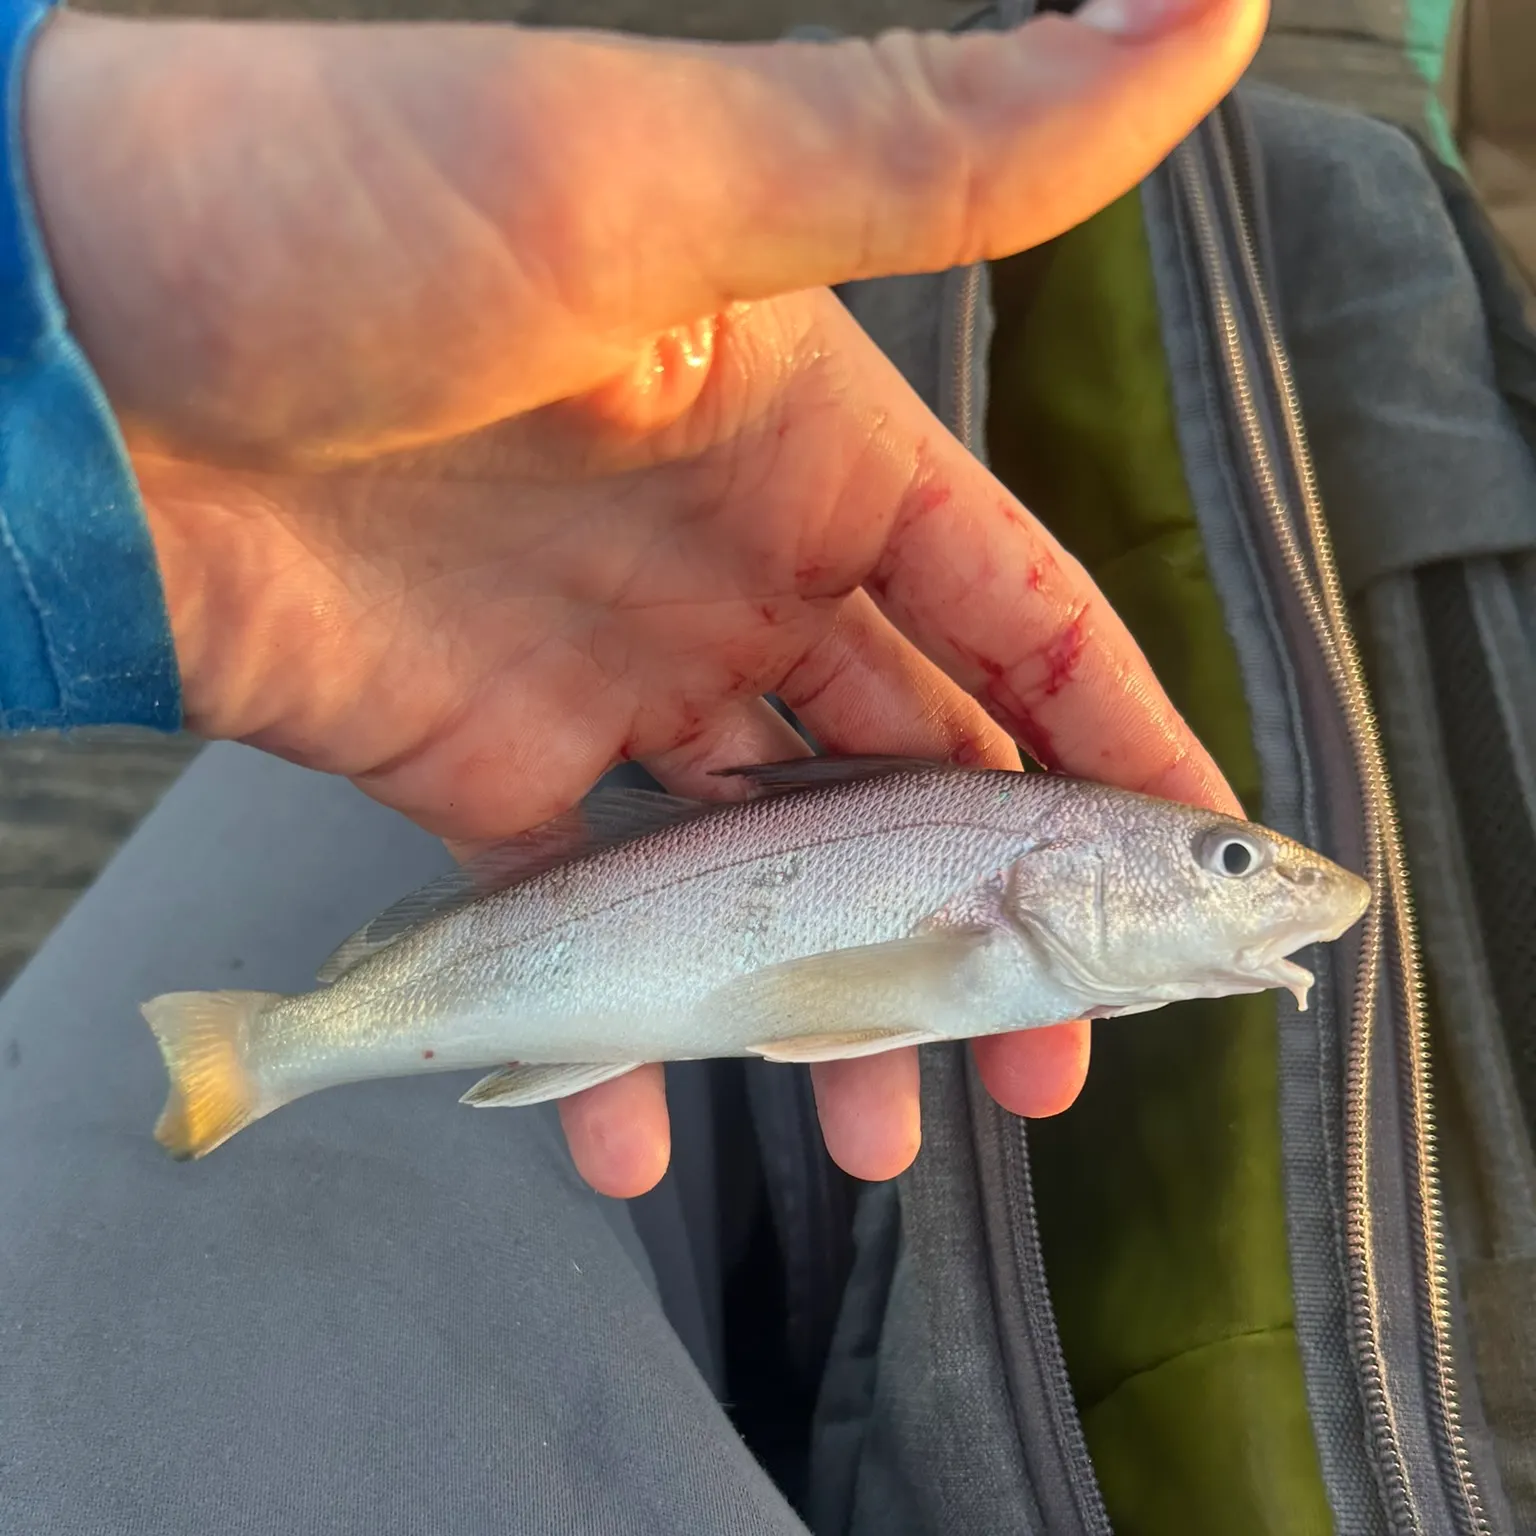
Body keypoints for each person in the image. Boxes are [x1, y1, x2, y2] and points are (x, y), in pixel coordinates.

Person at [0, 1, 1264, 1529]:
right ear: (1078, 866)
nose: (1248, 876)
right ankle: (277, 1046)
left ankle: (282, 1044)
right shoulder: (1002, 889)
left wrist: (73, 305)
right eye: (1227, 861)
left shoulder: (1022, 915)